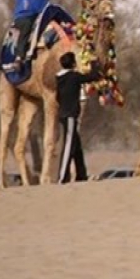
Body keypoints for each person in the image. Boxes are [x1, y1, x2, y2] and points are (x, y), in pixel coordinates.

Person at [56, 52, 102, 183]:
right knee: (69, 145)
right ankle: (62, 177)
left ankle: (81, 175)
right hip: (70, 115)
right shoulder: (73, 77)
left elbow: (58, 98)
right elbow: (94, 76)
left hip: (64, 113)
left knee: (77, 147)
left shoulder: (59, 78)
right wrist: (94, 63)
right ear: (73, 64)